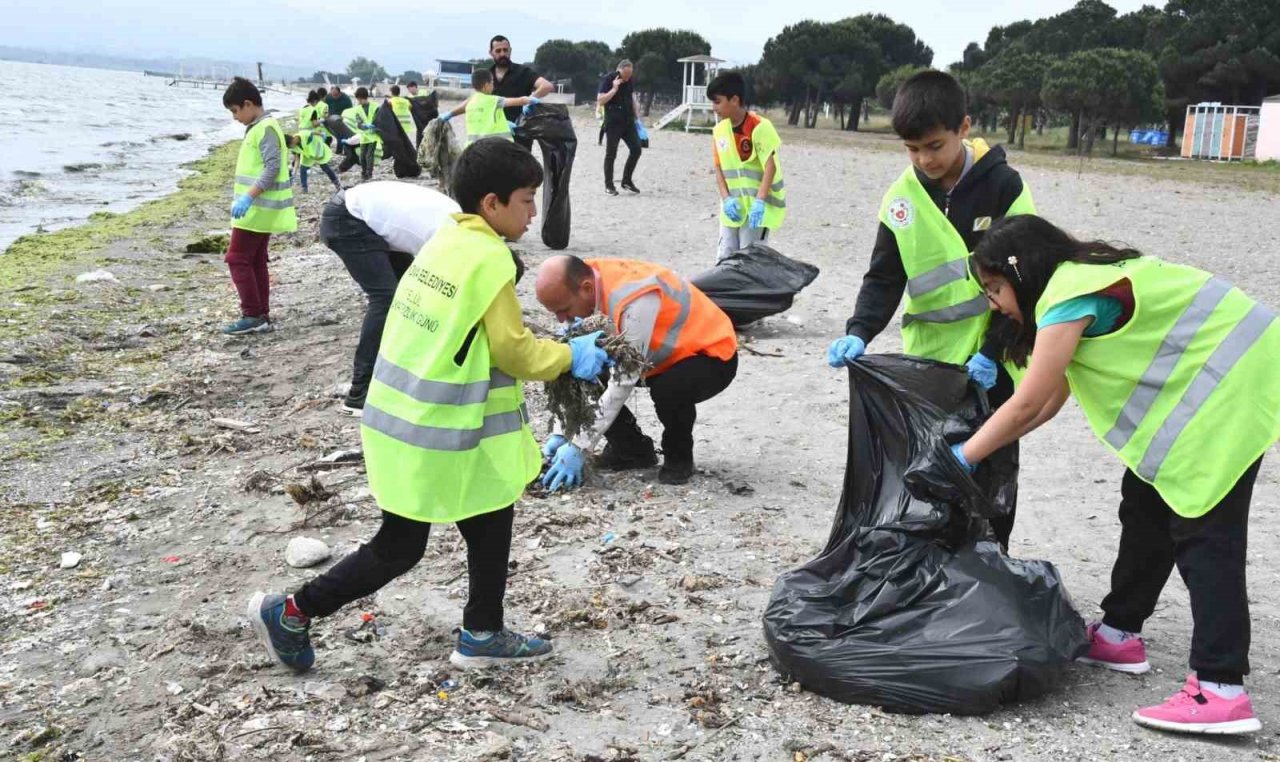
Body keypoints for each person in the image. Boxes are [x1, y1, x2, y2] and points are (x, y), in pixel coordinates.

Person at [247, 138, 614, 673]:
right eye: (526, 199)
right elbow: (514, 351)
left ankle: (482, 633)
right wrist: (569, 356)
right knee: (399, 546)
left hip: (402, 419)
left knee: (489, 515)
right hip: (434, 431)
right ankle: (293, 612)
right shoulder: (490, 259)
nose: (534, 211)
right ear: (491, 204)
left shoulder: (444, 242)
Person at [951, 214, 1280, 735]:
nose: (994, 304)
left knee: (1205, 533)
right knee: (1145, 505)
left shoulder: (1065, 297)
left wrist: (964, 455)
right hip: (1224, 376)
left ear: (1023, 272)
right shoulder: (1081, 277)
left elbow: (1029, 401)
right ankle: (1121, 633)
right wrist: (981, 447)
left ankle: (1221, 688)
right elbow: (1046, 403)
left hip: (1233, 384)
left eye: (994, 289)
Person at [825, 69, 1035, 549]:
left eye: (935, 146)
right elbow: (884, 275)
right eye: (912, 149)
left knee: (992, 463)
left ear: (963, 127)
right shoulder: (901, 198)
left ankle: (989, 558)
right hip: (930, 361)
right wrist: (860, 329)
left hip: (991, 360)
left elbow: (1029, 278)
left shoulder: (1004, 188)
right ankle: (938, 556)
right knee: (930, 461)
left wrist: (995, 349)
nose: (924, 159)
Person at [534, 255, 739, 486]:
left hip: (711, 355)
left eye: (564, 310)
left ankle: (679, 457)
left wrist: (579, 445)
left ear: (587, 288)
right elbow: (577, 368)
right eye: (555, 313)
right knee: (584, 363)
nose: (562, 320)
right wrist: (562, 431)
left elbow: (624, 378)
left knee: (668, 389)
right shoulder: (581, 280)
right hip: (659, 357)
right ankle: (631, 451)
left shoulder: (635, 299)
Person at [319, 181, 461, 414]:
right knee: (387, 299)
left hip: (366, 217)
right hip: (347, 220)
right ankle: (359, 394)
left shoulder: (460, 226)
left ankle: (397, 376)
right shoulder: (448, 238)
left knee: (411, 296)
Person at [220, 77, 296, 335]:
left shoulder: (266, 128)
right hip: (260, 209)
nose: (234, 117)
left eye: (235, 111)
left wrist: (248, 197)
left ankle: (252, 314)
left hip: (256, 208)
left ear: (248, 104)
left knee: (236, 258)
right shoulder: (262, 127)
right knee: (254, 260)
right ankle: (261, 312)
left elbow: (272, 167)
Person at [706, 70, 785, 262]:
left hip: (756, 207)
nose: (713, 108)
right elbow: (718, 168)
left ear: (734, 100)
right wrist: (726, 199)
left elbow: (770, 166)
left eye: (717, 102)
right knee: (725, 257)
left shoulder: (759, 126)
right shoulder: (719, 131)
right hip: (733, 205)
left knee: (750, 261)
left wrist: (760, 201)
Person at [438, 69, 539, 146]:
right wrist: (530, 100)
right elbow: (519, 101)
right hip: (497, 147)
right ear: (486, 86)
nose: (493, 86)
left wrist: (449, 114)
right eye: (492, 83)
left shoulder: (471, 101)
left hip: (471, 148)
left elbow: (467, 108)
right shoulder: (494, 100)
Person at [487, 35, 553, 150]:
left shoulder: (523, 72)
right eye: (498, 51)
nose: (502, 54)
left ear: (510, 51)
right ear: (491, 53)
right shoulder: (486, 76)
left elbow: (547, 86)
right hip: (493, 136)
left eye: (505, 50)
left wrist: (530, 99)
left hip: (520, 136)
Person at [597, 59, 643, 196]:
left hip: (628, 122)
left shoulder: (630, 81)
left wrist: (637, 116)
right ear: (619, 70)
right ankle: (609, 186)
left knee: (636, 149)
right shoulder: (609, 79)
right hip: (613, 123)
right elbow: (600, 100)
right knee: (611, 154)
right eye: (626, 74)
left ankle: (626, 181)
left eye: (630, 74)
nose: (628, 77)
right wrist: (614, 89)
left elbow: (632, 98)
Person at [340, 87, 380, 181]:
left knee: (369, 155)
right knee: (362, 156)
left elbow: (379, 119)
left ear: (362, 98)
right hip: (364, 135)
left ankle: (368, 174)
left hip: (373, 136)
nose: (358, 101)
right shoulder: (357, 109)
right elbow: (358, 123)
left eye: (358, 99)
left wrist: (374, 126)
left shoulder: (375, 106)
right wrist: (364, 126)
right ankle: (364, 172)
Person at [406, 80, 435, 148]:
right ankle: (418, 150)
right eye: (408, 90)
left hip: (427, 118)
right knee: (419, 135)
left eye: (410, 89)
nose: (409, 91)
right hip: (419, 121)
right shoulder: (409, 97)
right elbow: (409, 108)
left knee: (429, 136)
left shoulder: (424, 92)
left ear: (414, 87)